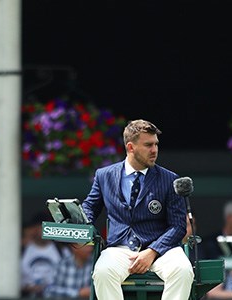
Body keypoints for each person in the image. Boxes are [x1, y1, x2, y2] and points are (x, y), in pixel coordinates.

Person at [82, 119, 194, 300]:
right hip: (120, 248)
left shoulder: (170, 179)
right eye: (148, 145)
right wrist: (77, 218)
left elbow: (178, 226)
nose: (154, 150)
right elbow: (89, 208)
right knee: (102, 272)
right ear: (131, 147)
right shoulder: (104, 175)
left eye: (156, 144)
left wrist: (152, 252)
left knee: (183, 270)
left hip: (161, 249)